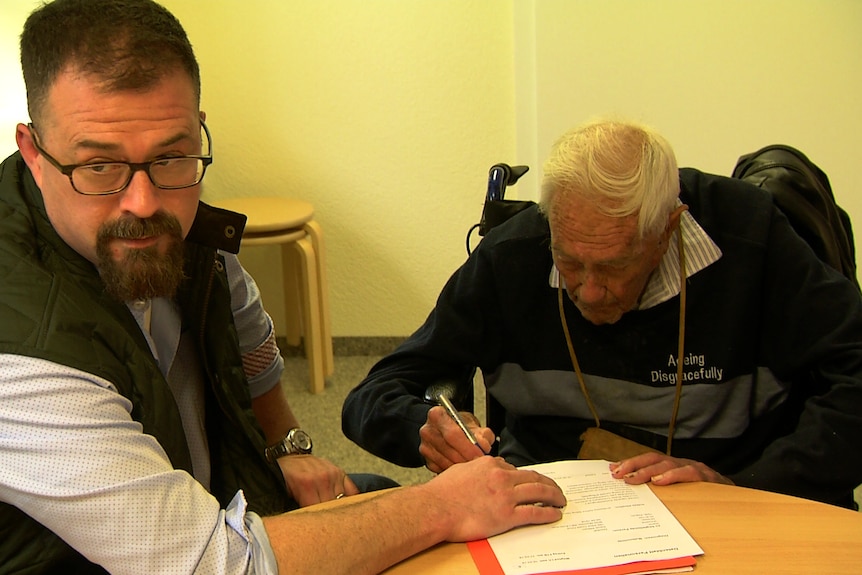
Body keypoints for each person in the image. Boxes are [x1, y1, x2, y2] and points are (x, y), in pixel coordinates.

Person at [0, 1, 567, 572]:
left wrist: (288, 446)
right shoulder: (19, 347)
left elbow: (251, 344)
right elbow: (214, 565)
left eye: (171, 156)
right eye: (99, 166)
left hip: (209, 501)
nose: (144, 203)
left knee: (371, 493)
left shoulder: (191, 237)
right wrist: (438, 507)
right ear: (34, 152)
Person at [343, 117, 862, 510]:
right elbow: (373, 395)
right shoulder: (511, 257)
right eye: (568, 261)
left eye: (615, 266)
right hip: (556, 514)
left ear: (669, 228)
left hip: (725, 506)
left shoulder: (751, 240)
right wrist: (425, 429)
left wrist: (746, 487)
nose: (588, 292)